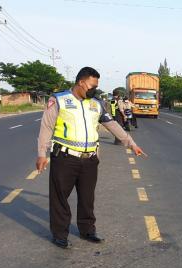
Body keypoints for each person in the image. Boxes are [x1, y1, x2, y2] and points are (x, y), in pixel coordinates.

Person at [35, 67, 146, 249]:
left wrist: (131, 143)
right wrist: (41, 154)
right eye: (92, 85)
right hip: (65, 157)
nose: (94, 89)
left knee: (87, 197)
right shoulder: (59, 100)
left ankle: (88, 230)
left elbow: (112, 124)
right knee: (60, 198)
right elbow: (46, 127)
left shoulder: (96, 104)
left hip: (90, 159)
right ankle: (60, 234)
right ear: (81, 82)